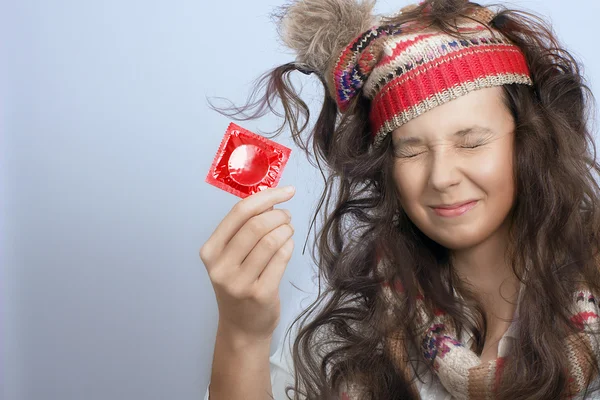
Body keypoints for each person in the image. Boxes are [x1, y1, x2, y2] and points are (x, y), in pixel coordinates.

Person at [200, 0, 600, 398]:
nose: (441, 177)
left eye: (472, 143)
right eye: (410, 149)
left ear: (530, 141)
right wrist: (242, 335)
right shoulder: (348, 322)